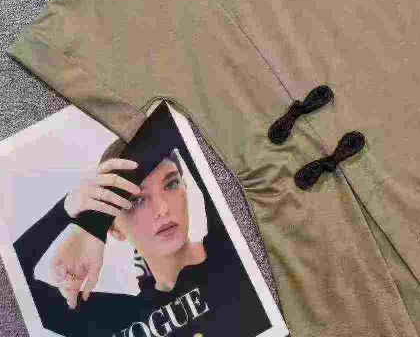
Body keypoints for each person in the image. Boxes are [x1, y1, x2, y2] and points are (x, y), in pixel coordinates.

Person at [14, 140, 270, 337]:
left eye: (171, 184)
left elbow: (179, 124)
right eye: (136, 200)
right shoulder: (125, 320)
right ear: (114, 229)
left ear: (186, 187)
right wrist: (70, 210)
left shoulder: (236, 246)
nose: (162, 209)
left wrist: (93, 220)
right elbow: (12, 290)